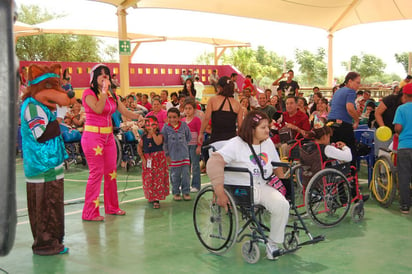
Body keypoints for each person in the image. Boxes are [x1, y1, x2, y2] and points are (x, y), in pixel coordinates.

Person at [206, 110, 289, 260]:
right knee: (268, 198)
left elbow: (276, 165)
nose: (267, 130)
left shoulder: (268, 142)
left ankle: (273, 244)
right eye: (263, 127)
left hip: (262, 185)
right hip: (242, 189)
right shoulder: (236, 144)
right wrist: (219, 192)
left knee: (282, 205)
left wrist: (281, 184)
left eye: (267, 127)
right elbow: (213, 163)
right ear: (252, 129)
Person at [20, 63, 76, 255]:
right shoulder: (32, 107)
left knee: (53, 205)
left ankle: (54, 241)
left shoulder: (41, 106)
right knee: (45, 208)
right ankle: (45, 244)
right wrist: (59, 119)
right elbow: (41, 134)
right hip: (42, 167)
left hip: (50, 165)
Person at [81, 64, 141, 221]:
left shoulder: (111, 94)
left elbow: (124, 111)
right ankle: (90, 212)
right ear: (94, 78)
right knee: (96, 173)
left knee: (111, 173)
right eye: (101, 74)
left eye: (107, 74)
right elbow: (98, 109)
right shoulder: (88, 93)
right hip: (93, 137)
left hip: (109, 138)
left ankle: (112, 207)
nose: (104, 77)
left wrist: (138, 117)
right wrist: (103, 91)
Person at [198, 76, 244, 151]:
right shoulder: (237, 104)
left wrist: (201, 133)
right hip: (231, 141)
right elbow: (240, 126)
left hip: (216, 139)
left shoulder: (213, 100)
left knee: (215, 162)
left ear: (219, 87)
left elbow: (206, 118)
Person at [328, 72, 361, 165]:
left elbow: (330, 107)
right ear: (350, 81)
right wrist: (357, 120)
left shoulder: (338, 91)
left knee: (334, 150)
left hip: (330, 122)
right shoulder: (351, 91)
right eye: (357, 82)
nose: (358, 85)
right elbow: (349, 107)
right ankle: (351, 175)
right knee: (350, 151)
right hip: (343, 124)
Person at [137, 116, 169, 209]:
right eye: (148, 125)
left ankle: (156, 199)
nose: (150, 127)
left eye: (152, 124)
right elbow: (139, 147)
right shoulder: (144, 137)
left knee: (158, 179)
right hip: (148, 159)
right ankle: (151, 196)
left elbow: (158, 142)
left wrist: (153, 134)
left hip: (158, 160)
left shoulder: (160, 135)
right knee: (149, 178)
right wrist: (142, 158)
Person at [162, 108, 192, 201]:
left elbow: (188, 137)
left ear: (179, 117)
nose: (172, 119)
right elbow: (165, 142)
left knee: (186, 174)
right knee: (175, 175)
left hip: (184, 155)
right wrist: (167, 155)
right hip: (173, 156)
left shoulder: (184, 126)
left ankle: (186, 191)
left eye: (174, 117)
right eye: (170, 117)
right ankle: (176, 192)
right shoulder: (165, 128)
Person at [393, 83, 412, 214]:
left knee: (404, 176)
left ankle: (405, 205)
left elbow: (398, 127)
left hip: (405, 146)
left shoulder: (401, 109)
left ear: (404, 96)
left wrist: (398, 131)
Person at [374, 89, 404, 154]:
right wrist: (383, 128)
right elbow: (377, 113)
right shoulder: (391, 99)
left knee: (395, 155)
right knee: (383, 154)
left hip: (397, 133)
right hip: (383, 130)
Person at [182, 99, 202, 193]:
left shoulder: (197, 120)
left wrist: (199, 146)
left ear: (194, 110)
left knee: (195, 166)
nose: (187, 110)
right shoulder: (182, 121)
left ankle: (196, 185)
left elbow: (200, 134)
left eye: (190, 108)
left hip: (194, 146)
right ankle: (185, 185)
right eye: (186, 108)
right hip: (184, 147)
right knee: (185, 166)